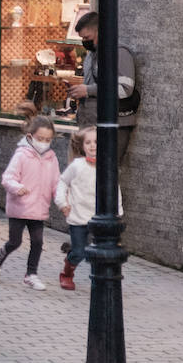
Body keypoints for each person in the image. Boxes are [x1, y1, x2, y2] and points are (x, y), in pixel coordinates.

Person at [0, 106, 60, 291]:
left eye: (48, 140)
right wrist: (17, 188)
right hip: (19, 207)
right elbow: (8, 178)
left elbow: (56, 182)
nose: (44, 143)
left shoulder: (52, 158)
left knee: (38, 242)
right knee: (15, 241)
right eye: (40, 139)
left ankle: (31, 274)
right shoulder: (21, 155)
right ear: (30, 136)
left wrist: (61, 199)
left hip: (39, 208)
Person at [67, 10, 140, 161]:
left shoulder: (119, 53)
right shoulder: (91, 54)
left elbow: (125, 89)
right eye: (82, 38)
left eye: (87, 37)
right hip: (90, 124)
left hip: (112, 125)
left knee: (104, 175)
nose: (85, 42)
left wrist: (88, 90)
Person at [55, 124, 121, 291]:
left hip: (100, 218)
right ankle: (67, 273)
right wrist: (62, 203)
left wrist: (118, 212)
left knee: (100, 251)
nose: (92, 146)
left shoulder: (107, 166)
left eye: (97, 142)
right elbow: (62, 182)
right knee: (79, 251)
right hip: (78, 216)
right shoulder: (77, 165)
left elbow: (115, 189)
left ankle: (98, 279)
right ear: (82, 146)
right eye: (88, 142)